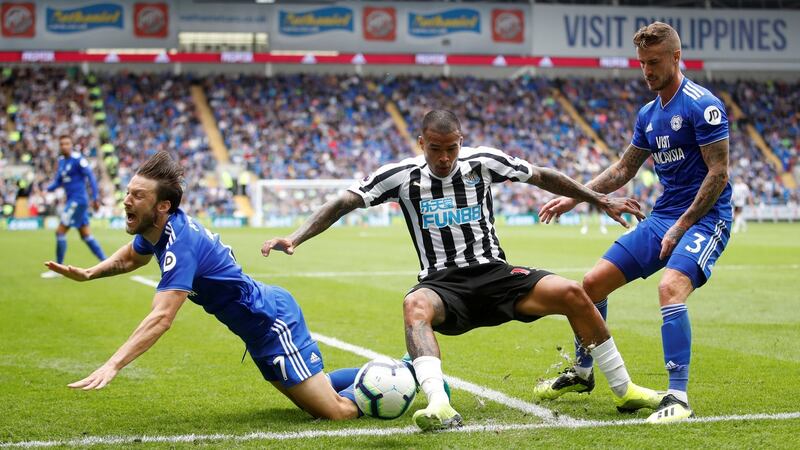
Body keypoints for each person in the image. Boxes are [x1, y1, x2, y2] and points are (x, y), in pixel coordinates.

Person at [262, 109, 663, 431]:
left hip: (496, 275)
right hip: (443, 286)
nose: (444, 158)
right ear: (421, 143)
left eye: (451, 148)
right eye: (436, 149)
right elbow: (343, 202)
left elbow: (542, 176)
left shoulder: (482, 163)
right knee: (414, 306)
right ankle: (438, 404)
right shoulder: (399, 176)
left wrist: (598, 199)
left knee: (574, 294)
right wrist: (296, 237)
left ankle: (624, 389)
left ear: (460, 143)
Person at [44, 151, 360, 421]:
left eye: (138, 195)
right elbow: (131, 258)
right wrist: (89, 273)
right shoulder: (158, 230)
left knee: (335, 412)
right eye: (128, 192)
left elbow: (161, 318)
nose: (127, 200)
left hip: (272, 323)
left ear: (163, 206)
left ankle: (399, 377)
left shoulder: (180, 243)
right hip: (256, 329)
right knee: (319, 392)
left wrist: (113, 364)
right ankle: (382, 373)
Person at [536, 22, 732, 424]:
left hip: (704, 220)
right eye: (642, 63)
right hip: (662, 218)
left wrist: (681, 227)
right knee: (589, 286)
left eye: (654, 62)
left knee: (670, 288)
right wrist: (576, 198)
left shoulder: (702, 105)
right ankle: (583, 370)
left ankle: (677, 397)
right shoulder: (648, 113)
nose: (646, 71)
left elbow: (718, 173)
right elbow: (625, 167)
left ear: (676, 58)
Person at [41, 135, 106, 278]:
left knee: (60, 232)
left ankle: (58, 269)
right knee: (86, 236)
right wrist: (46, 189)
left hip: (78, 201)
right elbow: (58, 182)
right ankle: (106, 263)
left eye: (67, 143)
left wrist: (95, 197)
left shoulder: (78, 159)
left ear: (71, 145)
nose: (64, 146)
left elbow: (91, 177)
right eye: (62, 143)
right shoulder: (62, 162)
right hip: (73, 201)